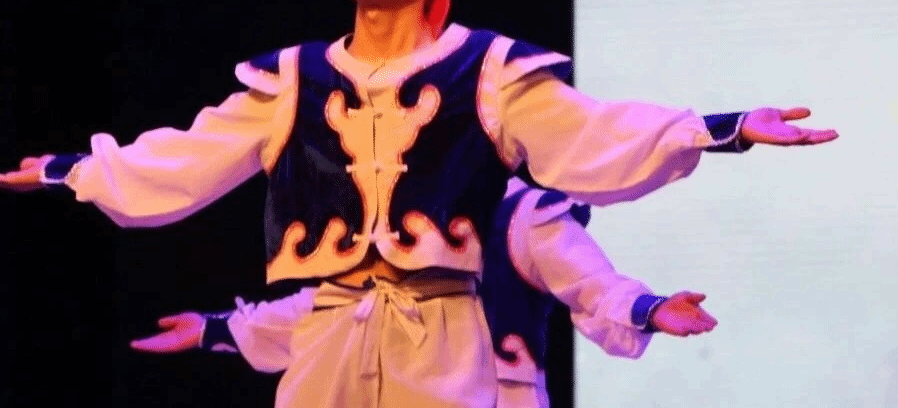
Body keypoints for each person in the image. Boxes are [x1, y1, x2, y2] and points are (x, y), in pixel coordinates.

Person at [0, 0, 837, 407]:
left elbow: (588, 133)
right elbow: (187, 156)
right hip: (331, 330)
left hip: (439, 334)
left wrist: (720, 128)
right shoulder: (291, 79)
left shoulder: (489, 71)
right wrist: (76, 170)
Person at [130, 177, 718, 408]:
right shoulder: (397, 217)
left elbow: (590, 284)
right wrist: (216, 330)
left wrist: (649, 310)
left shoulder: (524, 215)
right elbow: (331, 307)